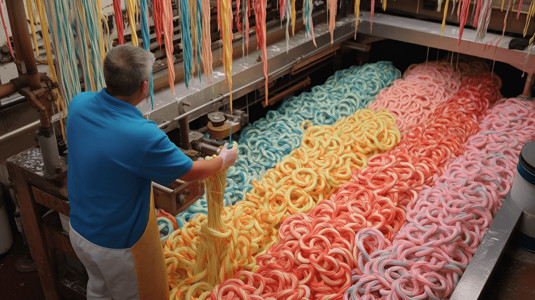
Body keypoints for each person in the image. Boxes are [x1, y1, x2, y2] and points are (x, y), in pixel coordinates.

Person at [66, 44, 238, 300]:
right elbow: (189, 172)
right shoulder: (142, 136)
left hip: (80, 231)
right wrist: (223, 160)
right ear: (144, 87)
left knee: (99, 289)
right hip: (118, 245)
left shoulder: (78, 104)